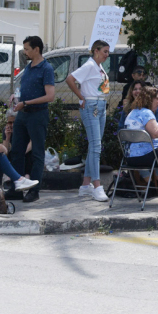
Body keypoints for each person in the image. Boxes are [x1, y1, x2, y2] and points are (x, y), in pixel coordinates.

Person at [10, 36, 55, 203]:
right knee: (17, 151)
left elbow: (50, 96)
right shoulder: (29, 67)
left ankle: (34, 190)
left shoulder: (46, 68)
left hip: (37, 114)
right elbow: (25, 87)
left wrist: (26, 102)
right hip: (23, 114)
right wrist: (16, 96)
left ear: (37, 49)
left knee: (37, 152)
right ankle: (16, 187)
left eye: (27, 49)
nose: (25, 52)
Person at [65, 40, 111, 202]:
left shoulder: (98, 66)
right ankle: (97, 186)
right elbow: (70, 79)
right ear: (96, 51)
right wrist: (81, 97)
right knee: (96, 146)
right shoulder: (90, 65)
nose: (107, 55)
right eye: (105, 51)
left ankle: (86, 184)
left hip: (99, 104)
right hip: (92, 105)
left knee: (94, 145)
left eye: (108, 52)